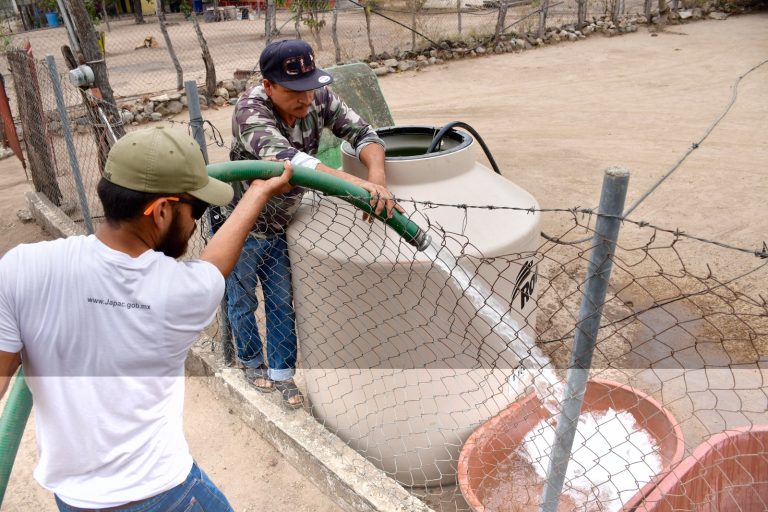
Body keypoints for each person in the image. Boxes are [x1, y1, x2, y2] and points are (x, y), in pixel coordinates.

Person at [0, 126, 293, 511]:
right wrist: (256, 194)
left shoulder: (22, 267)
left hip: (73, 500)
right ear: (161, 211)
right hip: (163, 493)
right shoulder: (184, 293)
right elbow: (215, 265)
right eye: (198, 210)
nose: (196, 224)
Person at [222, 39, 401, 409]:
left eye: (311, 88)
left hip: (283, 223)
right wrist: (356, 185)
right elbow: (289, 161)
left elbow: (365, 133)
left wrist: (377, 176)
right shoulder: (249, 110)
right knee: (240, 302)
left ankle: (282, 376)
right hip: (240, 226)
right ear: (269, 86)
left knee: (281, 302)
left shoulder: (317, 98)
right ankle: (251, 363)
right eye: (294, 92)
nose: (306, 100)